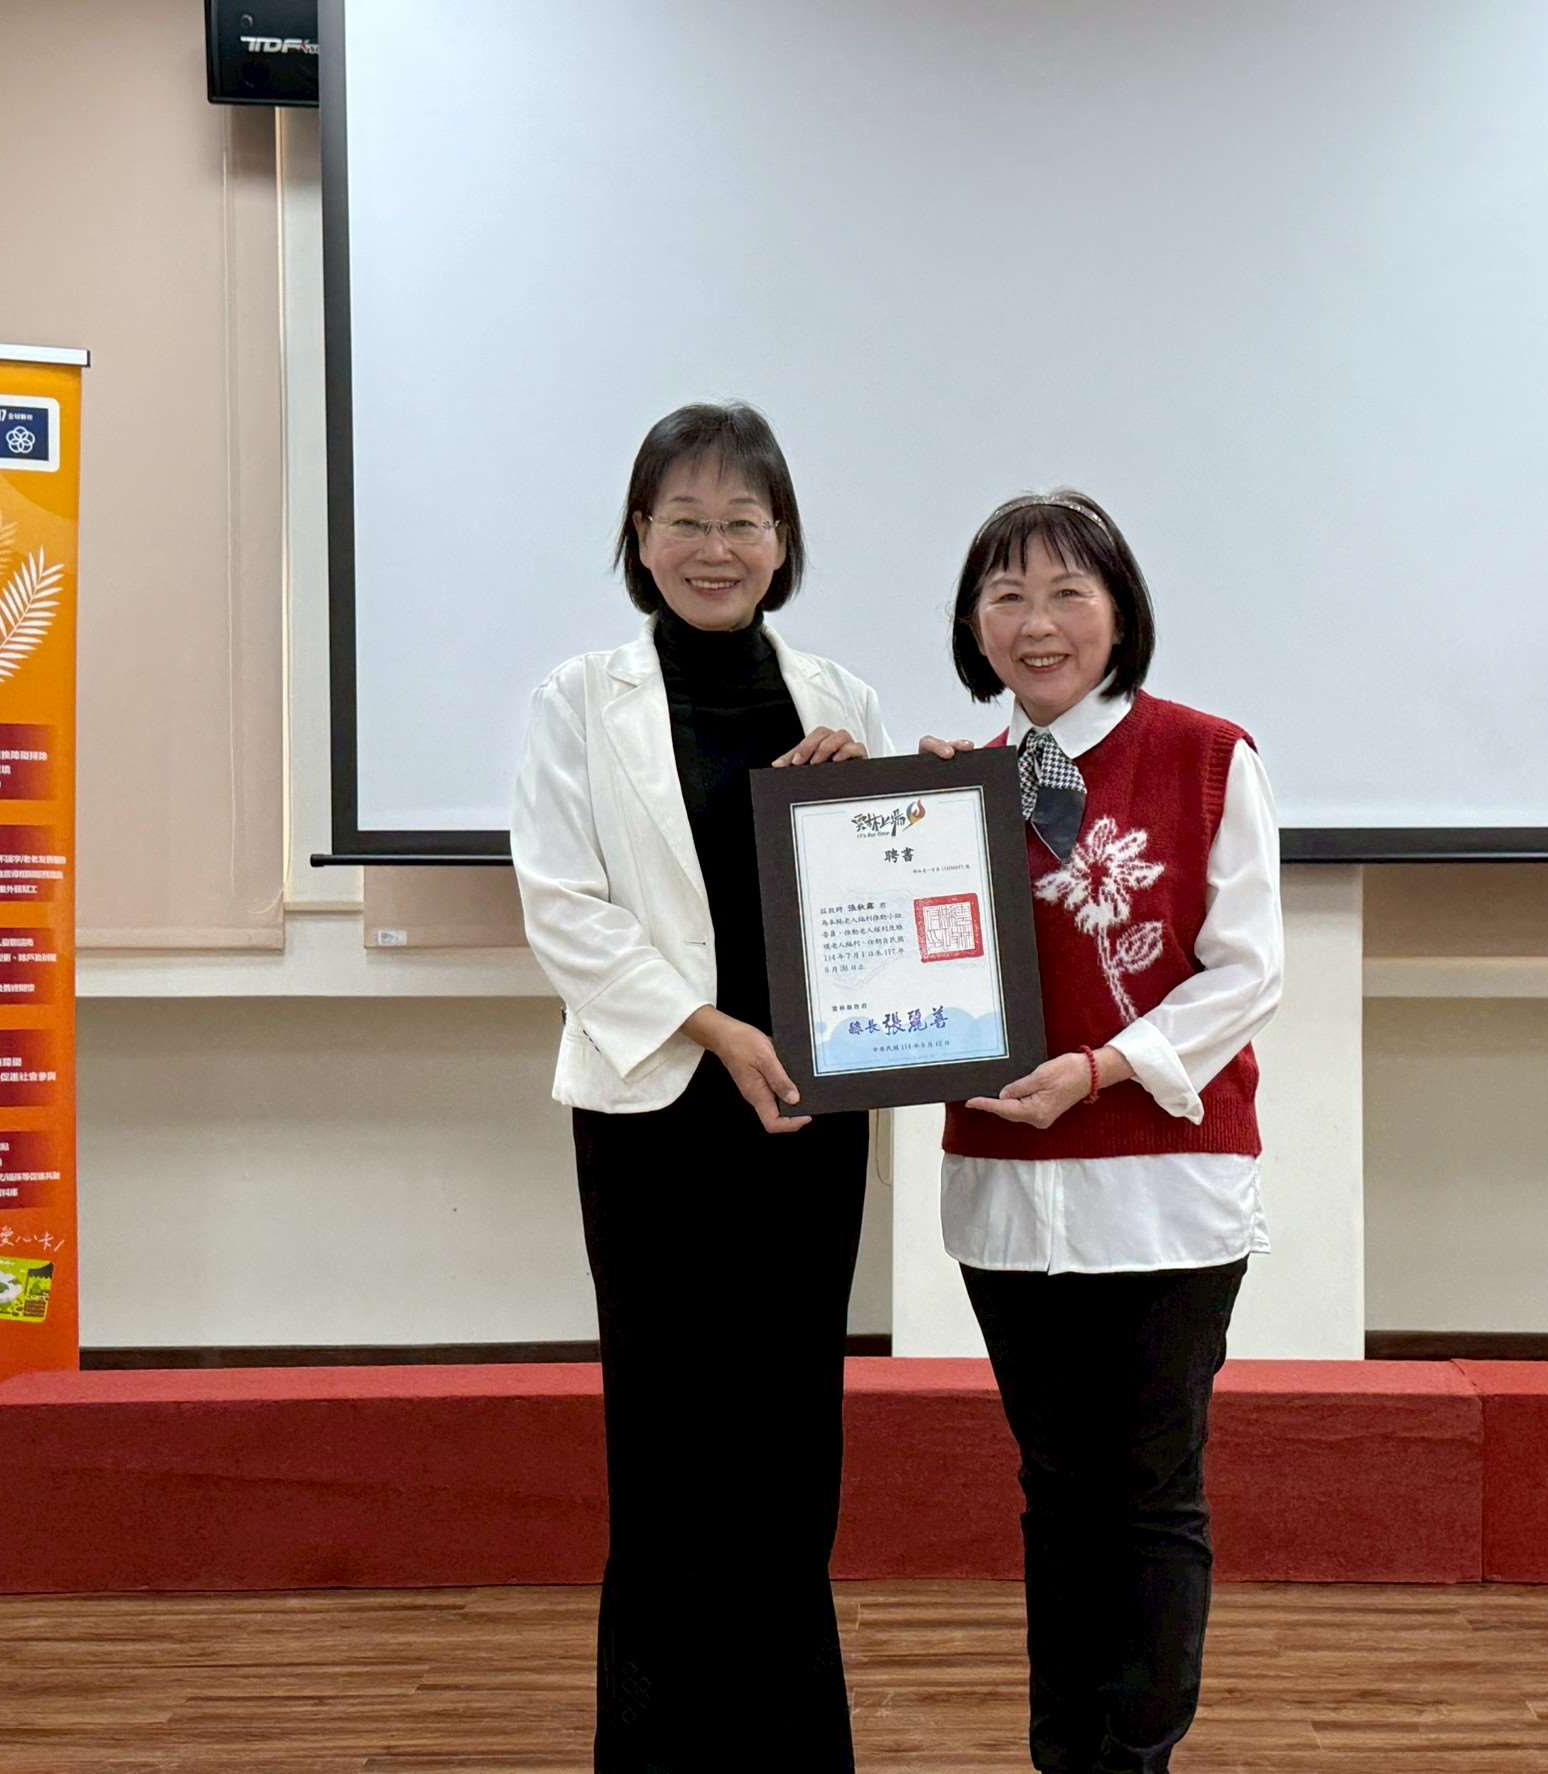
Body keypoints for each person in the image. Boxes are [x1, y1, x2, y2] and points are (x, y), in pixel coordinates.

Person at [510, 402, 887, 1772]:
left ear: (783, 540)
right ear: (641, 534)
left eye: (742, 521)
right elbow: (563, 905)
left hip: (806, 1116)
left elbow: (876, 898)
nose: (714, 547)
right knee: (668, 1445)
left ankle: (794, 1750)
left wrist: (870, 800)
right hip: (655, 1111)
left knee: (791, 1440)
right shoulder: (578, 699)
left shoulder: (841, 699)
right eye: (686, 520)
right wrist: (711, 1027)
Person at [923, 490, 1284, 1773]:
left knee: (1150, 1493)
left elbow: (1247, 970)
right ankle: (1065, 1756)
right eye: (1006, 595)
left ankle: (1134, 1759)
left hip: (1166, 1191)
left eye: (1069, 592)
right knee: (1056, 1492)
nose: (1038, 623)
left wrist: (1100, 1067)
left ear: (1120, 612)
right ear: (974, 626)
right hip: (1010, 1197)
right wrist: (884, 819)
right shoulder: (952, 790)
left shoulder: (1206, 755)